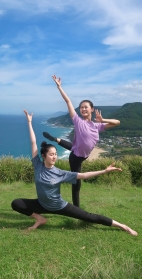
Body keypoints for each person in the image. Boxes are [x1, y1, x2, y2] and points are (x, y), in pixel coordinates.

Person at [11, 110, 138, 236]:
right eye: (51, 154)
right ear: (44, 156)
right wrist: (29, 122)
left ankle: (123, 226)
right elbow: (33, 142)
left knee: (89, 217)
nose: (55, 157)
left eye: (55, 154)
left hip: (59, 206)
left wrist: (104, 171)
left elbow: (83, 175)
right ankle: (40, 219)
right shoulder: (37, 165)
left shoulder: (59, 173)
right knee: (16, 203)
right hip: (41, 205)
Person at [43, 75, 120, 207]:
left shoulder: (97, 125)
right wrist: (59, 87)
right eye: (81, 107)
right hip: (76, 158)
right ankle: (77, 210)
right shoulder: (77, 121)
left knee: (73, 146)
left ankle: (56, 139)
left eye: (86, 107)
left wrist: (103, 120)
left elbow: (117, 122)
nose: (83, 109)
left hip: (83, 152)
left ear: (92, 109)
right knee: (76, 182)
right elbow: (68, 101)